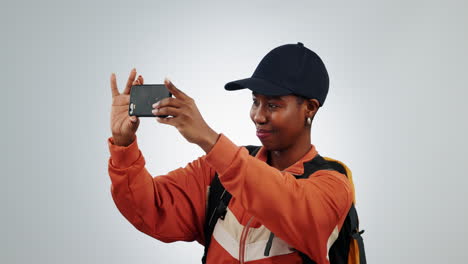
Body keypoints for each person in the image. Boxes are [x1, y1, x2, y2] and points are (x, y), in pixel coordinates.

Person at [107, 42, 353, 264]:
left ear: (309, 108)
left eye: (273, 105)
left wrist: (209, 140)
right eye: (255, 101)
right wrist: (124, 145)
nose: (258, 116)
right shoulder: (218, 170)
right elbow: (151, 208)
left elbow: (287, 203)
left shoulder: (332, 185)